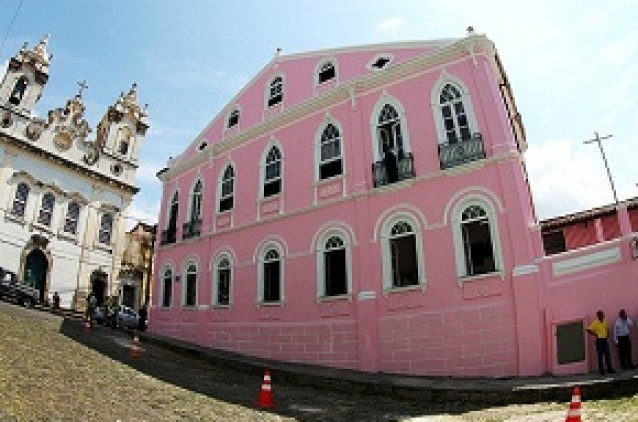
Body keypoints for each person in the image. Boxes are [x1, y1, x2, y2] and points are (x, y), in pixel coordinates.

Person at [587, 309, 615, 375]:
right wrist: (595, 334)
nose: (602, 316)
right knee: (600, 356)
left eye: (602, 314)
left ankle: (609, 369)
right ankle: (602, 370)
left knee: (607, 355)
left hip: (605, 339)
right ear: (598, 316)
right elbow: (588, 329)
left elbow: (606, 327)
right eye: (601, 315)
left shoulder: (604, 321)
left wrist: (608, 333)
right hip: (599, 340)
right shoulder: (595, 322)